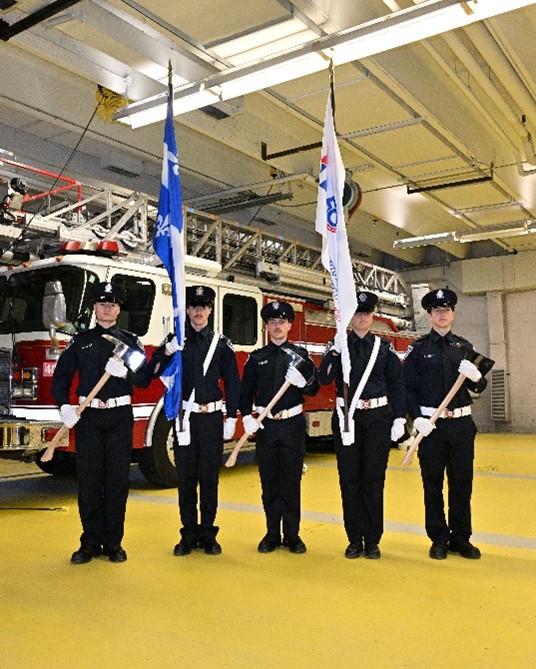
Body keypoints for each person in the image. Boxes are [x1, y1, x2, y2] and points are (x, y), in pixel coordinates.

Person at [51, 281, 152, 564]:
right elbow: (60, 380)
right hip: (89, 418)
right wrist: (65, 408)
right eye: (102, 303)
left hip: (119, 418)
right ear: (94, 307)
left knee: (117, 481)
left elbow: (144, 380)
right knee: (89, 481)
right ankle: (89, 542)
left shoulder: (130, 343)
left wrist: (125, 375)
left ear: (119, 309)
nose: (107, 308)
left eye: (113, 304)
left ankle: (113, 543)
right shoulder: (81, 342)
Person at [151, 285, 240, 556]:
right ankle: (188, 533)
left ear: (210, 310)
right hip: (184, 420)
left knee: (209, 478)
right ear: (187, 309)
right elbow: (153, 371)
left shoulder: (221, 344)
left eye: (203, 306)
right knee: (186, 478)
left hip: (212, 419)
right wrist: (166, 352)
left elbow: (233, 383)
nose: (198, 311)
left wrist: (232, 416)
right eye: (194, 306)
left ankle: (208, 533)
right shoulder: (176, 341)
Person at [318, 291, 406, 560]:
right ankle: (354, 538)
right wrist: (333, 352)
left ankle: (373, 540)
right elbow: (323, 379)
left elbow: (397, 384)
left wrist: (399, 418)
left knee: (373, 479)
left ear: (373, 316)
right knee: (350, 480)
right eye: (357, 313)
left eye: (366, 313)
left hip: (377, 420)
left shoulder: (384, 347)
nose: (362, 318)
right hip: (347, 420)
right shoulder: (339, 345)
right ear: (350, 316)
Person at [403, 287, 488, 560]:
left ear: (453, 313)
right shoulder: (417, 350)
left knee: (462, 484)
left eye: (447, 310)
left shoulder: (464, 348)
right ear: (429, 315)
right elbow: (408, 390)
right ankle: (439, 538)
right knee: (432, 484)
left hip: (462, 426)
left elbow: (481, 386)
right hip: (432, 428)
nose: (442, 314)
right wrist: (417, 418)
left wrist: (476, 376)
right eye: (437, 310)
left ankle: (461, 538)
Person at [239, 300, 319, 554]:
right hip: (266, 428)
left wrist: (302, 381)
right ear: (266, 326)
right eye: (272, 322)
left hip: (292, 425)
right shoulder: (257, 358)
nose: (277, 326)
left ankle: (292, 535)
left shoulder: (300, 356)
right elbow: (245, 393)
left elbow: (315, 389)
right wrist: (246, 417)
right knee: (270, 481)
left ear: (289, 325)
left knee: (291, 481)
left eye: (281, 321)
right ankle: (272, 533)